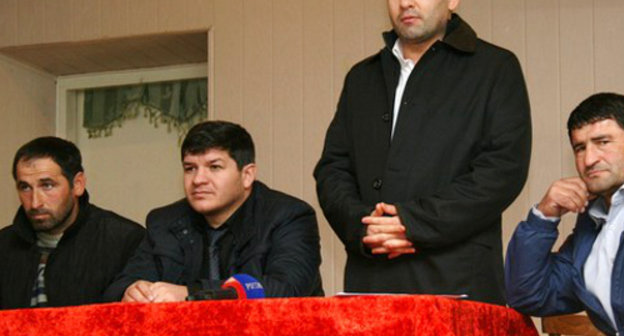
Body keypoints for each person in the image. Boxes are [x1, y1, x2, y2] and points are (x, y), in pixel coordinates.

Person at [314, 0, 531, 305]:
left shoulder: (495, 67)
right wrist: (363, 225)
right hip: (371, 279)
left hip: (457, 283)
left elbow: (502, 170)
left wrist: (411, 223)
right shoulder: (361, 77)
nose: (406, 3)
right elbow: (332, 169)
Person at [104, 121, 323, 302]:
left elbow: (286, 290)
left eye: (214, 167)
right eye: (190, 168)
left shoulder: (289, 216)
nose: (198, 179)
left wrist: (192, 295)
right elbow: (116, 288)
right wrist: (130, 291)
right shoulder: (164, 222)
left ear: (247, 175)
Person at [506, 93, 624, 335]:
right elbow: (529, 295)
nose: (589, 159)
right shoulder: (593, 225)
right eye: (580, 148)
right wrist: (545, 215)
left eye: (603, 142)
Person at [0, 136, 144, 309]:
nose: (35, 202)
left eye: (47, 186)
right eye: (25, 187)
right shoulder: (4, 245)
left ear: (77, 184)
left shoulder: (124, 240)